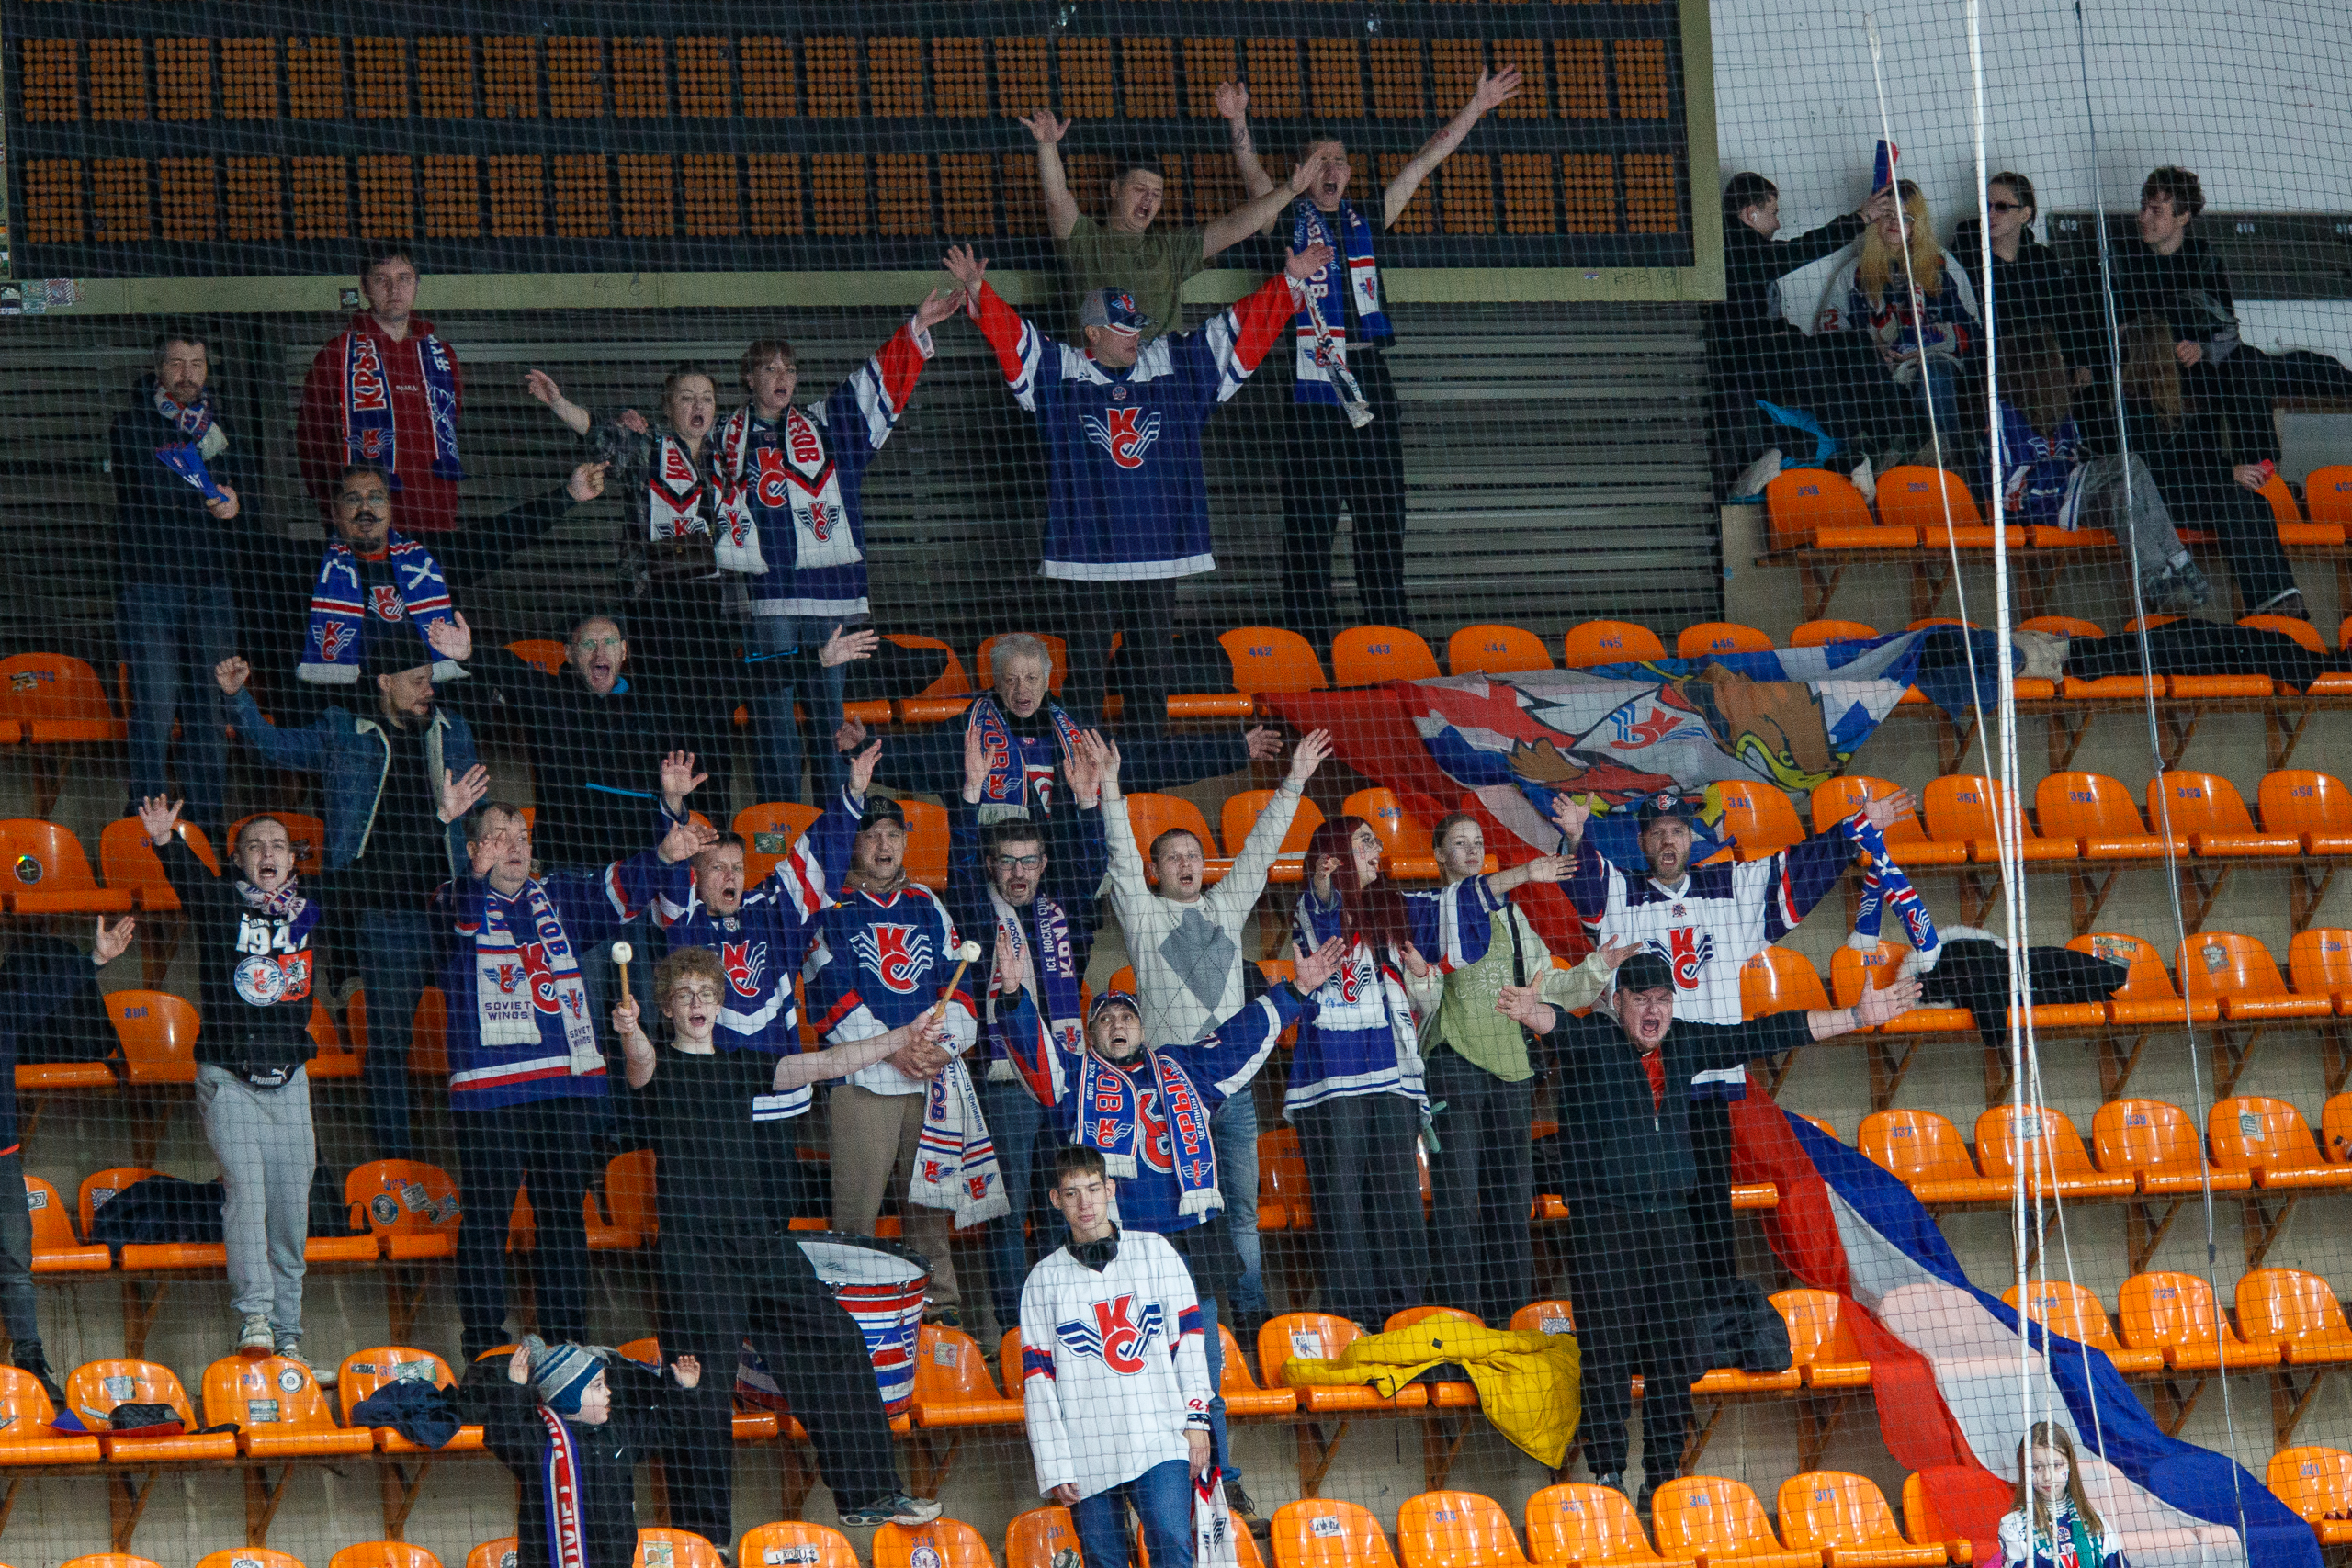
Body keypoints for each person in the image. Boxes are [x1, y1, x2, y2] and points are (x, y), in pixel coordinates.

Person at [1497, 951, 1920, 1507]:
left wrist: (1856, 1015)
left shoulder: (1686, 1043)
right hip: (1605, 1225)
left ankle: (1661, 1476)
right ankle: (1606, 1474)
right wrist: (1529, 1012)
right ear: (1617, 1002)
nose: (1653, 1011)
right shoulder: (1594, 1041)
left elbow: (1763, 1033)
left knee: (1674, 1352)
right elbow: (1556, 1025)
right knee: (1606, 1353)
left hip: (1672, 1222)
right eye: (1641, 999)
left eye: (1663, 999)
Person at [529, 292, 961, 805]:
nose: (782, 377)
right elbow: (615, 440)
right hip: (699, 605)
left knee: (812, 719)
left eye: (789, 368)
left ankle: (827, 821)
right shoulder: (705, 441)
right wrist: (573, 408)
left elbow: (870, 389)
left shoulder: (793, 431)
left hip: (766, 604)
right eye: (768, 368)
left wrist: (915, 329)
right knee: (753, 719)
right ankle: (758, 822)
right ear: (746, 380)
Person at [1004, 949, 1347, 1532]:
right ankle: (1133, 1491)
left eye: (1126, 1017)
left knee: (1201, 1374)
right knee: (1122, 1376)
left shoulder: (1183, 1066)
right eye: (1105, 1019)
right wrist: (1015, 1001)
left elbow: (1241, 1037)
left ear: (1142, 1026)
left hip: (1190, 1244)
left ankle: (1221, 1485)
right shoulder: (1073, 1081)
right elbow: (1032, 1053)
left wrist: (1293, 991)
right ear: (1090, 1032)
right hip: (1112, 1258)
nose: (1117, 1026)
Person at [612, 946, 946, 1539]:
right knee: (699, 1385)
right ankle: (702, 1538)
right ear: (667, 1008)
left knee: (836, 1335)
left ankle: (868, 1493)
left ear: (720, 1003)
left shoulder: (742, 1064)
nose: (696, 1003)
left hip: (758, 1241)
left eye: (706, 993)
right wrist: (630, 1029)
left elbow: (825, 1063)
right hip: (693, 1255)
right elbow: (639, 1062)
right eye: (684, 995)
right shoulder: (657, 1066)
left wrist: (901, 1036)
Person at [943, 240, 1334, 733]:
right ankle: (1080, 771)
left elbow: (1235, 330)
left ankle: (1149, 770)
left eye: (1137, 325)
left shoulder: (1173, 365)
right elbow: (1011, 335)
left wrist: (1288, 282)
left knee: (1151, 676)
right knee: (1086, 679)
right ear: (1092, 332)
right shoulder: (1060, 371)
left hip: (1157, 554)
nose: (1135, 335)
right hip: (1087, 555)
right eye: (1122, 327)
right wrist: (980, 289)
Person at [1555, 785, 1917, 1288]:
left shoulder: (1730, 887)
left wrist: (1852, 831)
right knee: (1644, 1216)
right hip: (1644, 1088)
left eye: (1677, 831)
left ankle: (1718, 1309)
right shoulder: (1621, 893)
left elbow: (1797, 869)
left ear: (1691, 838)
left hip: (1712, 1083)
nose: (1667, 841)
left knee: (1712, 1215)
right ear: (1641, 842)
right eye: (1656, 833)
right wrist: (1577, 837)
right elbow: (1586, 885)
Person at [1226, 68, 1521, 649]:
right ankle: (1310, 654)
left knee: (1383, 521)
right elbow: (1254, 177)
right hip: (1313, 384)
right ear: (1303, 174)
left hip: (1370, 379)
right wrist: (1238, 123)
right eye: (1319, 162)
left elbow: (1424, 163)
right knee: (1310, 528)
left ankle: (1390, 649)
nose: (1331, 169)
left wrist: (1477, 106)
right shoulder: (1286, 219)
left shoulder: (1370, 218)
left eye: (1339, 161)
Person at [433, 799, 712, 1359]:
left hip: (567, 1086)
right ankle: (485, 1349)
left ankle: (567, 1346)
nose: (515, 845)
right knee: (487, 1218)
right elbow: (460, 918)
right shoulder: (453, 898)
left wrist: (662, 856)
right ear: (474, 849)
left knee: (563, 1217)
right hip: (492, 1092)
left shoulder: (557, 895)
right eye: (499, 836)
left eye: (522, 835)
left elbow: (616, 891)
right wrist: (472, 876)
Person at [215, 625, 486, 1162]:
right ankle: (399, 1164)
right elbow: (274, 746)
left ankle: (474, 1162)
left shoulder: (454, 729)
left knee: (477, 1035)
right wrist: (237, 698)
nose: (428, 690)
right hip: (387, 914)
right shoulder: (345, 730)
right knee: (389, 1047)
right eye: (416, 680)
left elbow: (476, 814)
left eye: (430, 679)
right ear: (384, 681)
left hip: (455, 908)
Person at [1100, 728, 1334, 1331]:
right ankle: (1182, 1319)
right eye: (1173, 856)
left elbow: (1259, 848)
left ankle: (1252, 1318)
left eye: (1194, 855)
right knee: (1185, 1215)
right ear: (1155, 870)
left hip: (1235, 1094)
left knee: (1243, 1212)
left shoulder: (1228, 906)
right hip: (1172, 1099)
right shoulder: (1143, 917)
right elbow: (1120, 855)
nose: (1186, 863)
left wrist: (1294, 780)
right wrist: (1110, 787)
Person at [1399, 815, 1634, 1327]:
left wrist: (1599, 966)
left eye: (1478, 842)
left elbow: (1552, 988)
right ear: (1438, 855)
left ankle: (1511, 1323)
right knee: (1457, 1203)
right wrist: (1420, 975)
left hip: (1512, 1071)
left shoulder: (1510, 916)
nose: (1471, 850)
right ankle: (1459, 1324)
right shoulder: (1429, 912)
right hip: (1455, 1066)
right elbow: (1425, 1001)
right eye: (1459, 842)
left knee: (1511, 1204)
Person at [140, 798, 331, 1374]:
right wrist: (166, 840)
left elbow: (374, 873)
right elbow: (190, 879)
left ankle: (289, 1337)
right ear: (239, 860)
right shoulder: (222, 904)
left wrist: (440, 820)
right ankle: (256, 1319)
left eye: (278, 845)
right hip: (230, 1079)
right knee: (246, 1195)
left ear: (293, 860)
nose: (267, 853)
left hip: (290, 1081)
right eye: (255, 846)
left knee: (291, 1212)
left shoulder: (310, 908)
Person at [650, 739, 881, 1213]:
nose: (729, 876)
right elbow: (670, 873)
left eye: (737, 867)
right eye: (717, 868)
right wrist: (673, 806)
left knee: (775, 1215)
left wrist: (853, 795)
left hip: (776, 1097)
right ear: (698, 876)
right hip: (712, 1104)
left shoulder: (772, 911)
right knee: (717, 1214)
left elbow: (814, 861)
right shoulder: (684, 921)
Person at [454, 616, 877, 871]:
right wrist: (469, 652)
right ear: (569, 653)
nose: (599, 651)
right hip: (574, 870)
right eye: (588, 643)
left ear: (624, 651)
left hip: (648, 867)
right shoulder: (550, 700)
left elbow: (739, 679)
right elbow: (510, 670)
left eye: (609, 642)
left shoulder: (658, 701)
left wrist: (817, 659)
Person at [944, 724, 1110, 1340]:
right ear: (992, 864)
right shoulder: (975, 911)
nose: (1019, 873)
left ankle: (1063, 1319)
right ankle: (1018, 1333)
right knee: (1010, 1209)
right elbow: (961, 868)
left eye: (1030, 861)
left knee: (1060, 1204)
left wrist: (1087, 802)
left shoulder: (1063, 913)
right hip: (1006, 1081)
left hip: (1064, 1080)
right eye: (1007, 862)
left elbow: (1090, 867)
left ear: (1043, 863)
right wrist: (970, 794)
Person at [804, 788, 983, 1325]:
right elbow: (827, 990)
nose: (884, 845)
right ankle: (850, 1320)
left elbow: (959, 982)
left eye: (893, 835)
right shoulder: (829, 905)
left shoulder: (926, 903)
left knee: (929, 1211)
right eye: (872, 835)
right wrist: (893, 1051)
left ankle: (940, 1312)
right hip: (863, 1084)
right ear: (853, 843)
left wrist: (942, 1049)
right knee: (855, 1216)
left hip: (929, 1080)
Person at [1019, 1147, 1216, 1568]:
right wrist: (1054, 1463)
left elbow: (1190, 1343)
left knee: (1172, 1542)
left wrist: (1198, 1420)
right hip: (1085, 1448)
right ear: (1055, 1199)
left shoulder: (1156, 1252)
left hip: (1158, 1434)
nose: (1085, 1203)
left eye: (1093, 1189)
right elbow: (1038, 1381)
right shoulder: (1041, 1281)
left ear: (1110, 1188)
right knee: (1102, 1560)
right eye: (1071, 1193)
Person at [842, 632, 1283, 809]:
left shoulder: (1075, 730)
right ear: (994, 681)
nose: (1022, 690)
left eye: (1032, 678)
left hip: (1062, 868)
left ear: (1049, 678)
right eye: (1011, 679)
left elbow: (1155, 760)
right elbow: (917, 759)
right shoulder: (970, 728)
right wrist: (862, 747)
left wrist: (1235, 747)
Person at [1021, 94, 1338, 340]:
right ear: (1115, 189)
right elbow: (1057, 199)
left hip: (1163, 382)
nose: (1148, 199)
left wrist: (1290, 189)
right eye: (1140, 189)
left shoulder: (1171, 248)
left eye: (1156, 194)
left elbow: (1236, 225)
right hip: (1095, 380)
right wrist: (1047, 147)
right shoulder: (1085, 240)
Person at [1284, 814, 1428, 1330]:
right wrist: (1324, 881)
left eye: (1376, 840)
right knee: (1341, 1199)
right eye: (1364, 841)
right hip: (1334, 1076)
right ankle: (1355, 1319)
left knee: (1398, 1194)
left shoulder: (1391, 909)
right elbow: (1323, 911)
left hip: (1393, 1073)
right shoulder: (1314, 905)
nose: (1377, 849)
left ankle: (1408, 1312)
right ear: (1335, 854)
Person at [112, 328, 253, 841]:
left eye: (197, 364)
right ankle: (144, 828)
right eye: (176, 363)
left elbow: (248, 484)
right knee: (155, 704)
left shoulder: (224, 425)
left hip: (211, 587)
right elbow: (149, 488)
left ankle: (207, 830)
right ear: (158, 368)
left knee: (209, 707)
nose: (187, 374)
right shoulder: (132, 423)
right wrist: (208, 497)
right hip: (150, 587)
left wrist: (235, 501)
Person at [2073, 317, 2302, 615]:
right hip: (2153, 501)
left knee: (2253, 502)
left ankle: (2282, 601)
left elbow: (2202, 454)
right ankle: (2273, 606)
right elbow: (2156, 471)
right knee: (2235, 501)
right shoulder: (2123, 402)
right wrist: (2227, 474)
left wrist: (2234, 472)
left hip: (2190, 489)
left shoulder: (2190, 386)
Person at [0, 915, 137, 1404]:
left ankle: (31, 1359)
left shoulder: (5, 1009)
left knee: (15, 1261)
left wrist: (96, 958)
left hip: (2, 1159)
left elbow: (46, 995)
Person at [1989, 331, 2209, 615]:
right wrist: (2069, 469)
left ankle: (2159, 579)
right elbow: (2008, 486)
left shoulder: (2060, 410)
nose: (2063, 364)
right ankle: (2180, 559)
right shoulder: (2002, 414)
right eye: (2057, 359)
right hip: (2033, 506)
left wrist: (2081, 464)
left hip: (2069, 498)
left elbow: (2075, 453)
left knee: (2123, 496)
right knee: (2130, 463)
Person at [1710, 172, 1899, 492]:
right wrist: (1861, 219)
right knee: (1801, 353)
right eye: (1774, 213)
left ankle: (1893, 439)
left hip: (1768, 349)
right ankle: (1851, 443)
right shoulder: (1733, 246)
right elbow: (1801, 250)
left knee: (1852, 343)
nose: (1777, 224)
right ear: (1750, 213)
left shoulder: (1750, 250)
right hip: (1742, 361)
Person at [484, 1337, 698, 1568]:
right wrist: (514, 1389)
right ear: (569, 1396)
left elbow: (665, 1425)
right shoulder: (539, 1441)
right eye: (597, 1386)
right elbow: (501, 1435)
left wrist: (684, 1390)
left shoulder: (619, 1433)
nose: (608, 1392)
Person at [298, 246, 465, 536]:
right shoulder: (335, 355)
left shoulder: (443, 356)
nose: (393, 288)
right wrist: (333, 516)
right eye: (381, 279)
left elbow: (450, 425)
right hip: (363, 531)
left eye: (404, 278)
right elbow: (311, 444)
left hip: (436, 521)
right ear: (364, 287)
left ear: (417, 284)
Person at [1818, 180, 1980, 454]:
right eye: (1888, 214)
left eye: (1906, 217)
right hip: (1876, 371)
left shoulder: (1943, 263)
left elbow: (1973, 328)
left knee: (1934, 374)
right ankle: (1886, 460)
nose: (1895, 222)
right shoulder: (1853, 272)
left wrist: (1921, 344)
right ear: (1875, 219)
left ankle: (1944, 459)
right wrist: (1870, 352)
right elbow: (1829, 331)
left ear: (1919, 223)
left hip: (1932, 363)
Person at [297, 461, 461, 687]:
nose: (365, 509)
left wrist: (465, 654)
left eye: (375, 498)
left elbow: (497, 536)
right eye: (352, 500)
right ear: (335, 513)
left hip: (427, 694)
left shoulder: (427, 560)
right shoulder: (314, 566)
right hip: (349, 700)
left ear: (389, 507)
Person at [1952, 173, 2089, 370]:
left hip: (2040, 363)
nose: (1990, 214)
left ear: (2025, 214)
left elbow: (2065, 317)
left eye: (2001, 207)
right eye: (1985, 206)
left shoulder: (2042, 260)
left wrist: (2078, 363)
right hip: (1987, 365)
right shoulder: (1966, 260)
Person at [1997, 1422, 2125, 1568]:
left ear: (2070, 1464)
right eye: (2036, 1467)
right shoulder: (2013, 1526)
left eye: (2056, 1465)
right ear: (2024, 1469)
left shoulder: (2096, 1522)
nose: (2047, 1477)